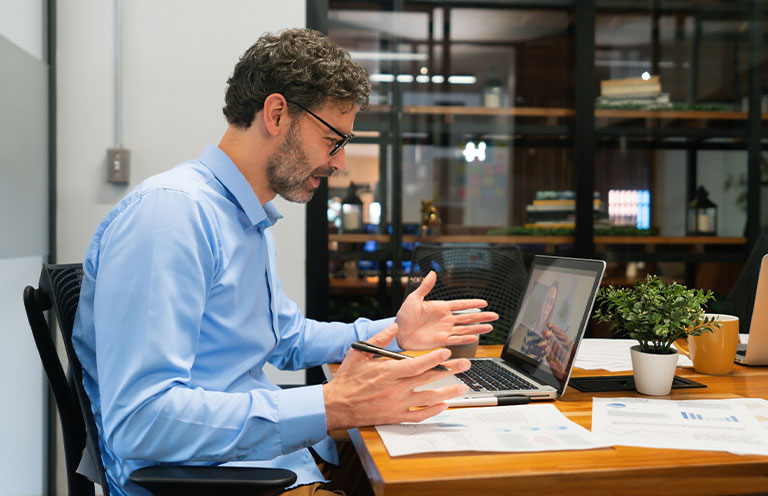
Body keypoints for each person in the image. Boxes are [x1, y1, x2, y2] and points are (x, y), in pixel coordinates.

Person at [72, 28, 497, 496]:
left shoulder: (243, 217)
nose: (339, 163)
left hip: (269, 463)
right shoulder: (172, 217)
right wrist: (333, 405)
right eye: (334, 139)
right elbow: (142, 421)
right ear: (277, 113)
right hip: (217, 483)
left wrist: (397, 332)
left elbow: (286, 340)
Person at [520, 282, 573, 376]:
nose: (547, 307)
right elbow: (521, 356)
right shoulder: (529, 329)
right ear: (542, 301)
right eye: (546, 300)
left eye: (551, 303)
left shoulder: (551, 337)